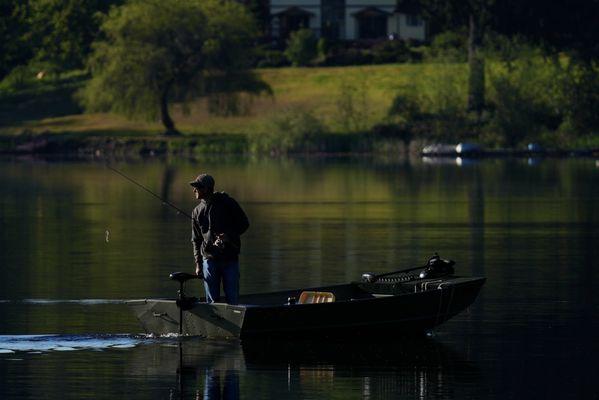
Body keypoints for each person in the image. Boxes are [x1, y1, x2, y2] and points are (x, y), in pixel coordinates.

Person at [190, 173, 249, 305]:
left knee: (232, 300)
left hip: (230, 258)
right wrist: (198, 264)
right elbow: (196, 240)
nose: (194, 190)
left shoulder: (228, 203)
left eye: (197, 187)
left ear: (205, 189)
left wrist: (228, 236)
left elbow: (244, 224)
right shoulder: (196, 211)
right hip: (209, 260)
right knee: (212, 303)